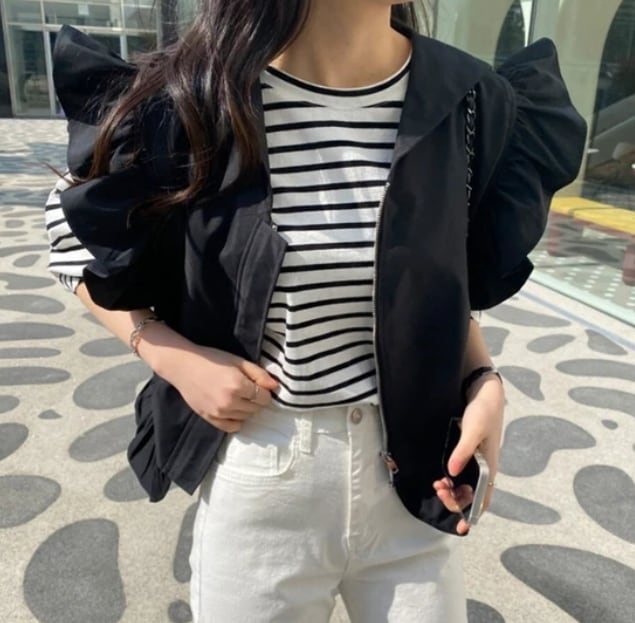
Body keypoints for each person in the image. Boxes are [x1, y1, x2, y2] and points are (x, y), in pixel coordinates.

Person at [45, 1, 587, 621]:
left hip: (414, 484)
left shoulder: (467, 98)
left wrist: (483, 378)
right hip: (266, 474)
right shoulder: (196, 97)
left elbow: (444, 273)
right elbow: (69, 241)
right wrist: (172, 356)